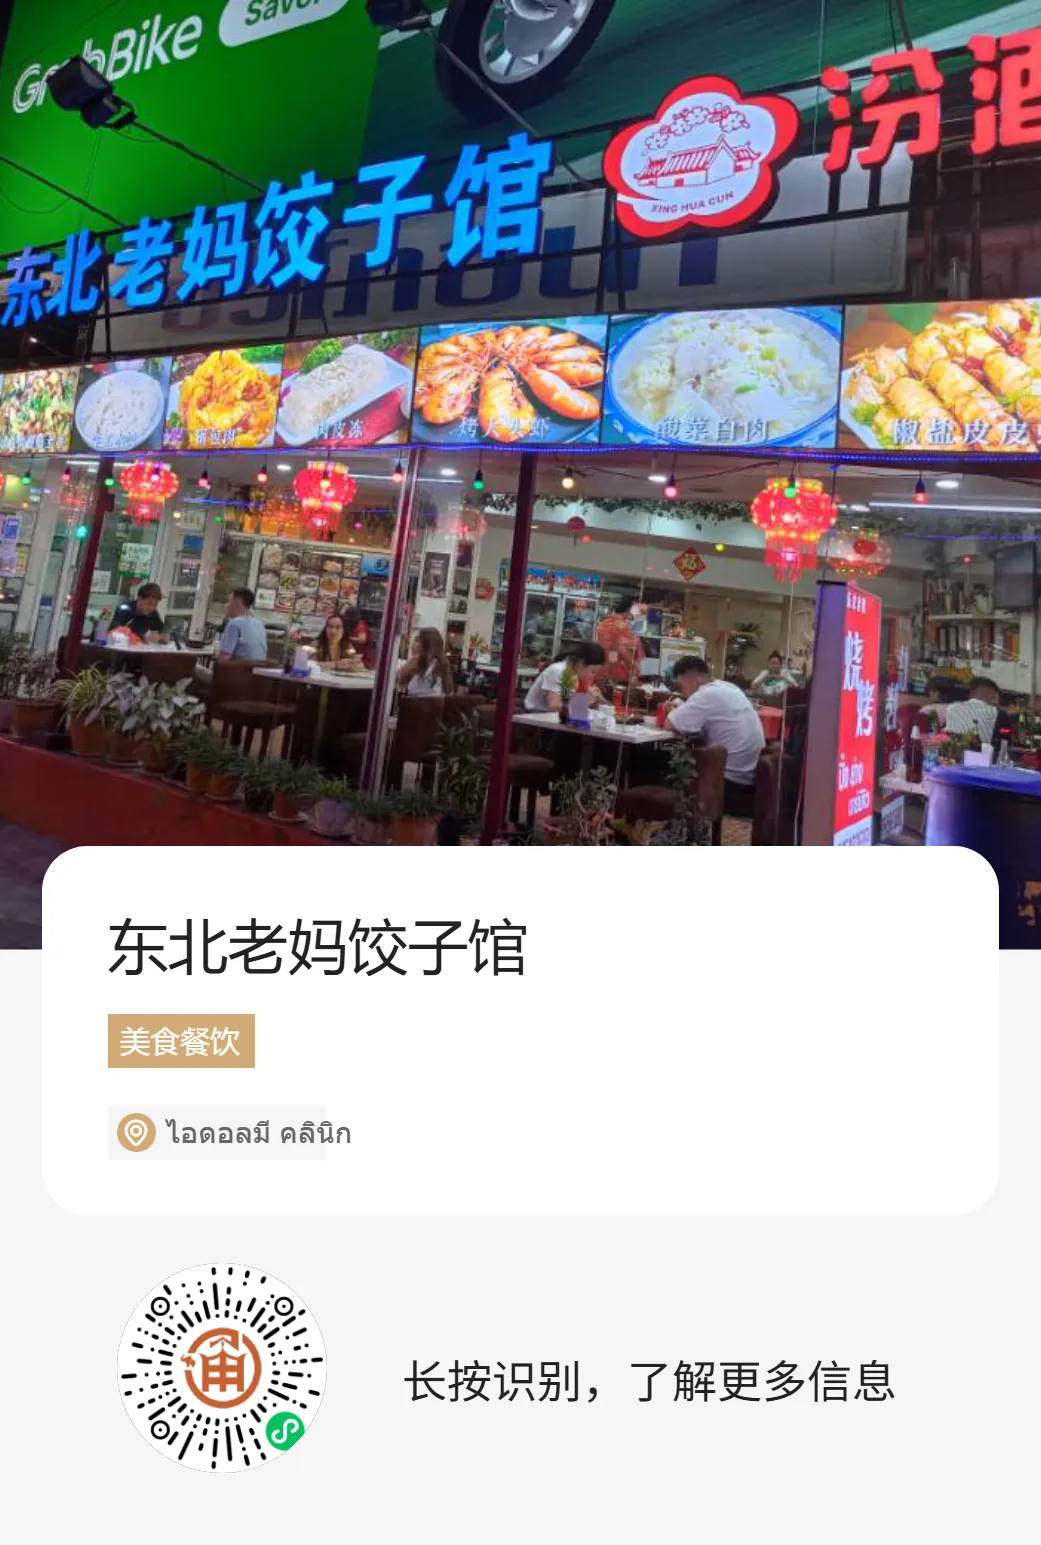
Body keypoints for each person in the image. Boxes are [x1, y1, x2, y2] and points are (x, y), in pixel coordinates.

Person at [667, 656, 765, 816]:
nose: (681, 692)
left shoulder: (705, 694)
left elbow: (670, 724)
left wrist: (676, 708)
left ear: (694, 679)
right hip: (750, 777)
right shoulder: (729, 687)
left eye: (680, 686)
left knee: (667, 766)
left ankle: (672, 822)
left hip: (728, 783)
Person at [525, 642, 605, 712]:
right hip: (535, 714)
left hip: (551, 715)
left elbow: (568, 702)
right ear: (581, 663)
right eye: (593, 671)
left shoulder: (574, 674)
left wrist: (596, 699)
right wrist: (584, 702)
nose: (593, 675)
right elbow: (554, 705)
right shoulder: (559, 671)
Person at [596, 592, 645, 689]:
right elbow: (626, 651)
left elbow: (607, 649)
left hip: (599, 671)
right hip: (619, 676)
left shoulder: (602, 624)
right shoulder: (624, 627)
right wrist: (635, 670)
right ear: (628, 610)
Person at [398, 627, 454, 697]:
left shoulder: (418, 662)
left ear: (426, 644)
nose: (412, 643)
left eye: (417, 640)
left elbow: (397, 681)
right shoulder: (441, 665)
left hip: (417, 703)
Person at [218, 589, 268, 662]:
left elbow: (223, 658)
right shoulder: (259, 624)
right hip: (257, 668)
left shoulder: (234, 624)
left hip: (237, 668)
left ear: (236, 603)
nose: (226, 605)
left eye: (228, 601)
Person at [945, 676, 1000, 743]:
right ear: (993, 696)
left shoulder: (951, 708)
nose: (997, 702)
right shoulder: (994, 711)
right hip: (979, 749)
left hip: (952, 748)